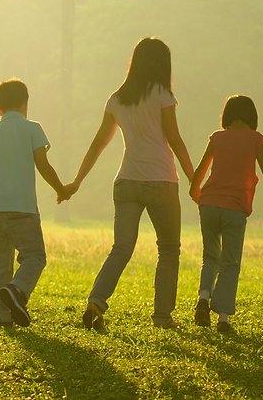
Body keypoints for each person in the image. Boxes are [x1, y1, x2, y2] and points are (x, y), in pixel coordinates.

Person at [68, 37, 195, 329]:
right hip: (160, 180)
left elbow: (100, 141)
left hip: (126, 182)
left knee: (121, 248)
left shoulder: (117, 97)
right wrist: (194, 178)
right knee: (168, 250)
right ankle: (162, 317)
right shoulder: (163, 94)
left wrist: (77, 180)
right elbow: (173, 138)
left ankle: (96, 300)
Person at [0, 78, 70, 328]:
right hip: (22, 208)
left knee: (1, 262)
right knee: (34, 256)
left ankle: (3, 317)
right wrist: (61, 189)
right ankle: (18, 290)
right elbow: (43, 165)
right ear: (26, 104)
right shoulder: (32, 129)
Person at [188, 95, 263, 333]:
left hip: (209, 204)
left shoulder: (217, 138)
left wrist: (196, 193)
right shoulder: (255, 139)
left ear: (227, 117)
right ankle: (223, 319)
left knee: (210, 257)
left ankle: (203, 298)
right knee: (230, 262)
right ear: (252, 117)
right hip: (235, 208)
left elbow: (201, 170)